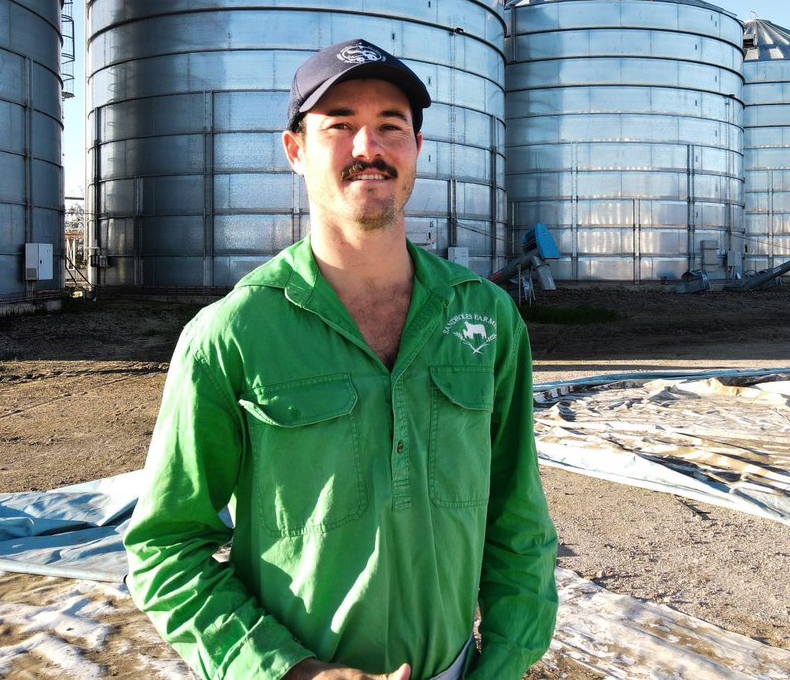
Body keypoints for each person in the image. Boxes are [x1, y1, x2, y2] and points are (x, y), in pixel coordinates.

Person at [124, 38, 559, 680]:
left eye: (391, 127)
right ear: (295, 150)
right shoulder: (233, 333)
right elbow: (164, 546)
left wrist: (504, 660)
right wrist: (288, 671)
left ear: (416, 150)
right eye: (340, 126)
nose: (368, 148)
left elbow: (516, 514)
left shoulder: (485, 317)